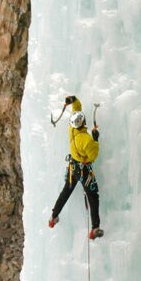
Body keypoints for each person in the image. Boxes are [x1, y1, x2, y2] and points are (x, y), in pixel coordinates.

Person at [49, 95, 104, 240]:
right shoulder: (86, 140)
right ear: (84, 122)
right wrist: (96, 138)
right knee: (93, 196)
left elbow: (76, 109)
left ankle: (53, 217)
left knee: (65, 192)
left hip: (73, 168)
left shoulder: (71, 129)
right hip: (84, 170)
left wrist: (73, 100)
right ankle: (95, 228)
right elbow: (93, 155)